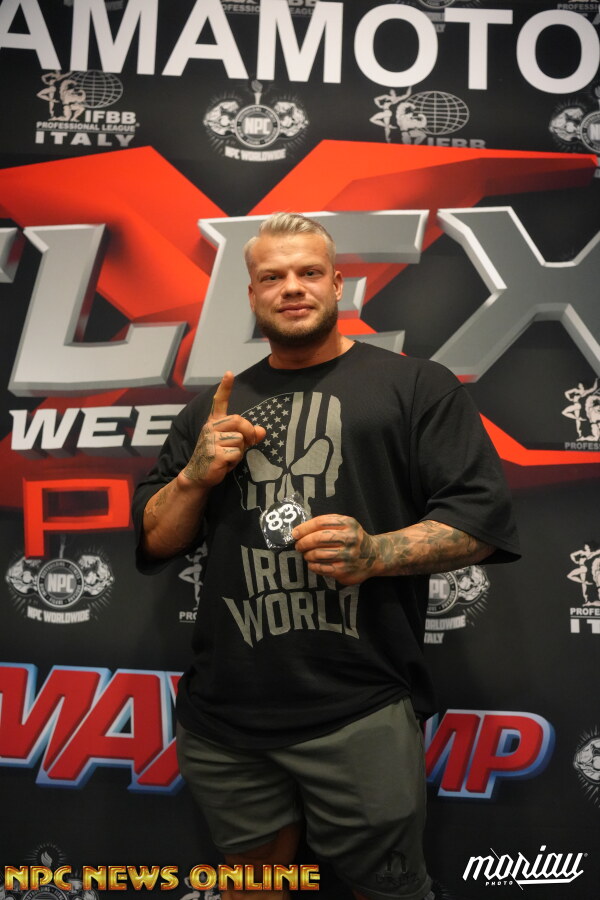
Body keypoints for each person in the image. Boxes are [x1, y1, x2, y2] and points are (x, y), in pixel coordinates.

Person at [132, 213, 520, 900]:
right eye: (272, 277)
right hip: (224, 713)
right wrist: (193, 476)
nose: (291, 287)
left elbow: (479, 522)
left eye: (308, 272)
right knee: (252, 887)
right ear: (252, 295)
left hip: (360, 704)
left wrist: (376, 551)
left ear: (339, 284)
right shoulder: (210, 412)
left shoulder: (416, 386)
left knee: (389, 890)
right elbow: (156, 542)